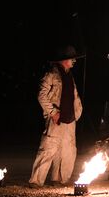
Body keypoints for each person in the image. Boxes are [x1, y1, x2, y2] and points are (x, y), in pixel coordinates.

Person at [29, 45, 83, 188]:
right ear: (64, 60)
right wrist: (53, 113)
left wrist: (77, 112)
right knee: (48, 148)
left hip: (69, 119)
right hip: (56, 119)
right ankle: (36, 181)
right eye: (72, 59)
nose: (74, 62)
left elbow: (74, 96)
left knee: (66, 150)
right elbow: (41, 95)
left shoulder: (69, 76)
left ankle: (58, 179)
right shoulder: (51, 75)